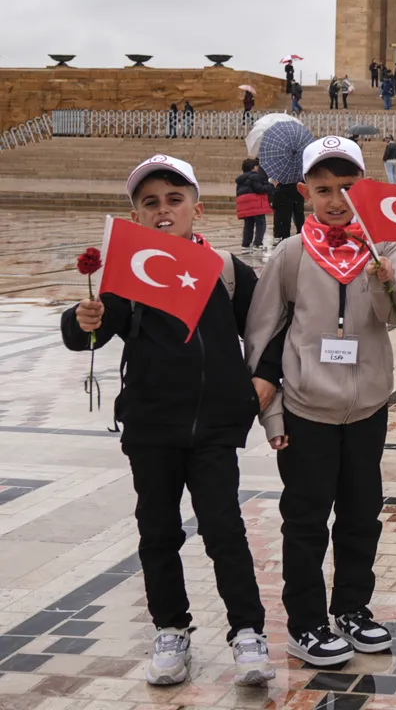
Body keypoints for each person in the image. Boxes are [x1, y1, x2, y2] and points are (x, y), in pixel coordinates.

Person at [60, 155, 274, 688]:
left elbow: (269, 329)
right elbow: (88, 331)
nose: (163, 210)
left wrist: (264, 379)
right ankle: (170, 629)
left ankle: (247, 632)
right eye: (150, 203)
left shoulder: (227, 270)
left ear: (196, 208)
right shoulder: (128, 276)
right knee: (157, 532)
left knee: (225, 529)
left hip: (215, 429)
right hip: (153, 426)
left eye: (174, 200)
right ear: (135, 216)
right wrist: (81, 317)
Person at [246, 137, 396, 666]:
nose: (337, 199)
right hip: (306, 408)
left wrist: (389, 283)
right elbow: (261, 336)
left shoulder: (381, 248)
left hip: (366, 405)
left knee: (362, 513)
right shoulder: (291, 254)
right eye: (324, 190)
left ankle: (352, 608)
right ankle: (306, 622)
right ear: (305, 192)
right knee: (305, 517)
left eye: (346, 188)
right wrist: (271, 414)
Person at [236, 157, 273, 252]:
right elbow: (259, 189)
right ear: (253, 168)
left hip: (246, 204)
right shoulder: (255, 176)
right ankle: (258, 244)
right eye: (256, 166)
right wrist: (270, 185)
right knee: (261, 223)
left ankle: (246, 244)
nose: (257, 168)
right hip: (255, 204)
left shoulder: (241, 179)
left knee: (248, 224)